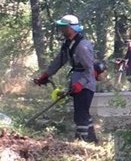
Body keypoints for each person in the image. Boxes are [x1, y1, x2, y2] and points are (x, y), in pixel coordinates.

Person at [33, 14, 98, 143]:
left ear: (71, 28)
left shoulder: (82, 46)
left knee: (80, 114)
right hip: (77, 83)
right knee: (83, 112)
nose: (61, 30)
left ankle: (82, 141)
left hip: (86, 84)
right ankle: (92, 140)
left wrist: (80, 84)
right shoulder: (69, 44)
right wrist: (46, 75)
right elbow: (59, 61)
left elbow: (90, 69)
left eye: (63, 27)